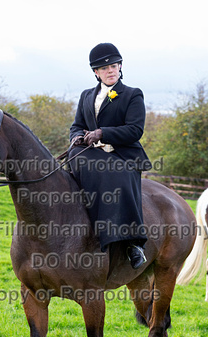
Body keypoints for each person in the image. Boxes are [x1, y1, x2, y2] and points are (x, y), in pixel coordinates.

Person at [69, 43, 152, 269]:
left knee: (117, 178)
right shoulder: (86, 96)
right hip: (92, 153)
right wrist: (76, 137)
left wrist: (103, 133)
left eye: (114, 66)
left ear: (120, 67)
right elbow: (77, 125)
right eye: (104, 68)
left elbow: (135, 130)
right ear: (96, 72)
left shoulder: (132, 94)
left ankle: (134, 243)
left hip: (122, 155)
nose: (110, 70)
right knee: (72, 159)